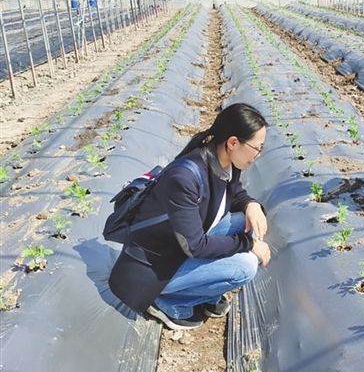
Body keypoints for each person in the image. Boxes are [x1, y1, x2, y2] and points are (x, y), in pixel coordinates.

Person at [109, 103, 272, 330]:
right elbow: (195, 246)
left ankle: (204, 293)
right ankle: (169, 302)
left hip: (179, 246)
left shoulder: (225, 161)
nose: (258, 155)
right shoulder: (185, 177)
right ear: (233, 143)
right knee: (245, 266)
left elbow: (234, 193)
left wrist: (250, 205)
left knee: (243, 221)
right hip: (154, 268)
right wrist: (249, 245)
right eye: (257, 148)